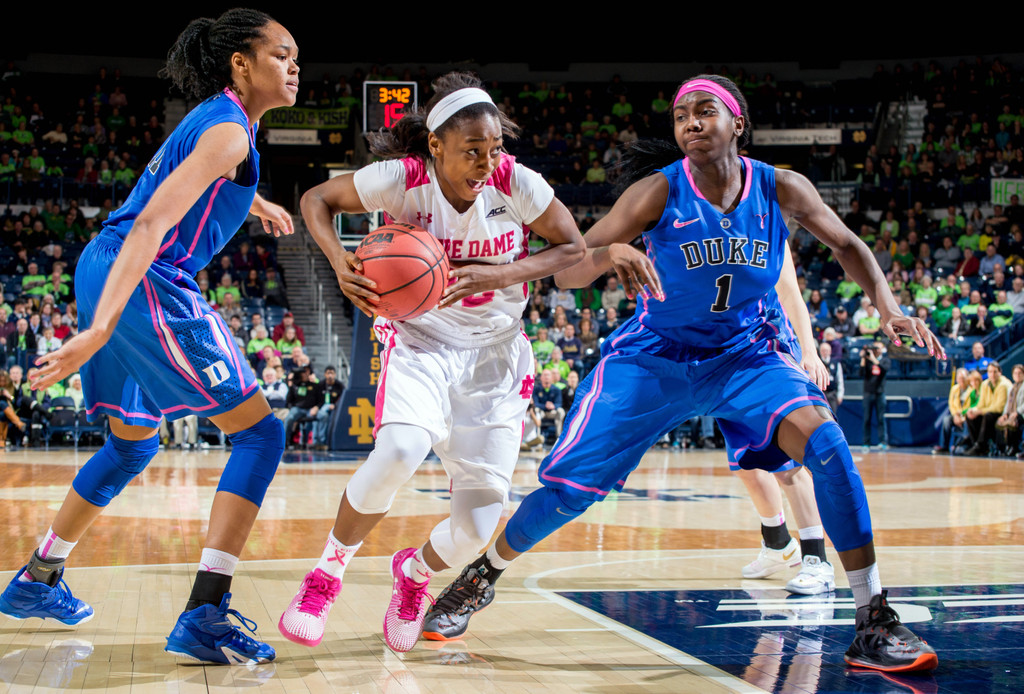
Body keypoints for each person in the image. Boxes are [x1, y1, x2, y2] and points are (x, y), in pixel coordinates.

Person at [425, 75, 942, 672]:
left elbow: (848, 245)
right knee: (569, 494)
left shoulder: (781, 188)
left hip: (746, 354)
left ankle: (873, 618)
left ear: (737, 123)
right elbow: (570, 270)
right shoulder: (656, 193)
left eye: (705, 111)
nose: (691, 123)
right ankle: (481, 576)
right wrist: (612, 252)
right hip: (657, 357)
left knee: (826, 444)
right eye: (680, 117)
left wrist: (889, 307)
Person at [0, 9, 298, 666]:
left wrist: (253, 202)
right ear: (240, 65)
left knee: (133, 446)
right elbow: (154, 224)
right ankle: (204, 613)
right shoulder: (228, 133)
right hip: (147, 277)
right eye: (281, 54)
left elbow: (176, 187)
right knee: (260, 433)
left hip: (102, 263)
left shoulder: (222, 122)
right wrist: (99, 327)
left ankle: (37, 578)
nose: (294, 66)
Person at [278, 71, 585, 653]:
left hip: (496, 357)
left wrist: (504, 273)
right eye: (473, 150)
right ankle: (326, 574)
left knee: (474, 529)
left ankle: (414, 575)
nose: (486, 161)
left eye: (494, 148)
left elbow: (573, 246)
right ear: (436, 146)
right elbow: (316, 200)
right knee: (397, 450)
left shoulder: (515, 182)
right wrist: (339, 260)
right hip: (422, 341)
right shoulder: (401, 179)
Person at [861, 341, 890, 451]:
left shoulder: (885, 360)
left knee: (881, 418)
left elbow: (884, 370)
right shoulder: (867, 360)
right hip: (868, 392)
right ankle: (866, 443)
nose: (876, 349)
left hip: (880, 393)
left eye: (878, 347)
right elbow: (860, 373)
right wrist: (864, 358)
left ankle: (882, 441)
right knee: (866, 419)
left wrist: (874, 359)